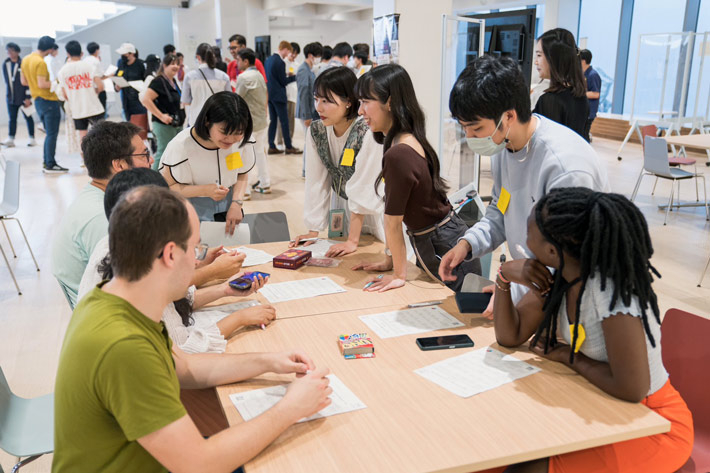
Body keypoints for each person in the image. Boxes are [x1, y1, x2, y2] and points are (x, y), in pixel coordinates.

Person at [53, 185, 333, 473]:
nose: (199, 261)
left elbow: (185, 367)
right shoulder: (123, 345)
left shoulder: (115, 300)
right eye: (196, 248)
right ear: (171, 255)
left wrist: (270, 361)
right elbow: (198, 464)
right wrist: (291, 409)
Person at [489, 188, 693, 473]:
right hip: (600, 404)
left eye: (529, 232)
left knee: (529, 466)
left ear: (552, 250)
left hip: (652, 422)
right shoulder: (562, 278)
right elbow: (510, 336)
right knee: (505, 448)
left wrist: (569, 358)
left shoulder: (610, 292)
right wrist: (505, 275)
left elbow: (632, 389)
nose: (525, 240)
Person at [439, 55, 609, 308]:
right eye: (464, 127)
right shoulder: (505, 146)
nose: (469, 136)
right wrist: (468, 243)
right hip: (532, 288)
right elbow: (500, 211)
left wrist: (515, 292)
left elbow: (568, 257)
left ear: (508, 116)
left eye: (476, 128)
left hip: (576, 300)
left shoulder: (564, 166)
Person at [77, 168, 277, 353]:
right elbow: (184, 350)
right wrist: (239, 318)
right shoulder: (141, 284)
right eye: (192, 248)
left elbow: (174, 305)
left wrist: (224, 289)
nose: (197, 261)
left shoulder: (116, 248)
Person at [353, 64, 479, 292]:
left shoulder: (399, 152)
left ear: (389, 102)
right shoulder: (400, 140)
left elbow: (392, 221)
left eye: (365, 102)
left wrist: (398, 275)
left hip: (442, 246)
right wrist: (390, 261)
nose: (360, 111)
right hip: (439, 239)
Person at [51, 121, 153, 308]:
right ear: (119, 165)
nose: (151, 161)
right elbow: (136, 288)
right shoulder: (102, 219)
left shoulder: (98, 196)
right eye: (145, 155)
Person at [290, 67, 385, 257]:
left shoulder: (367, 131)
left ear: (348, 101)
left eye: (326, 101)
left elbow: (365, 185)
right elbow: (316, 181)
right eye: (316, 99)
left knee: (371, 256)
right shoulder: (317, 130)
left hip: (371, 208)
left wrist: (353, 240)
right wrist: (313, 229)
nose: (318, 107)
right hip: (341, 206)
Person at [160, 91, 255, 235]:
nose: (230, 139)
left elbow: (241, 173)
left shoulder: (241, 141)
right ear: (207, 121)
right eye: (224, 132)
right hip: (191, 211)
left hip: (230, 209)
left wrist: (236, 203)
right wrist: (205, 190)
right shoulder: (181, 147)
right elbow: (167, 187)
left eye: (238, 132)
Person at [20, 35, 67, 172]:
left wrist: (34, 84)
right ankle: (50, 163)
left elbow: (24, 82)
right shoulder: (40, 62)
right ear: (50, 48)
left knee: (49, 133)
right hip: (49, 100)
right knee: (52, 134)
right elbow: (42, 84)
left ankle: (48, 162)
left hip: (38, 100)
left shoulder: (26, 59)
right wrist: (57, 82)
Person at [532, 28, 588, 138]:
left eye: (539, 55)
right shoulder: (580, 96)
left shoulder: (549, 100)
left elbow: (543, 145)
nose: (535, 62)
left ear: (553, 58)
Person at [235, 48, 270, 197]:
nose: (237, 63)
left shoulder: (244, 77)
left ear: (245, 61)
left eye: (238, 60)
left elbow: (237, 99)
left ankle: (245, 190)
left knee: (241, 155)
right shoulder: (259, 76)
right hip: (261, 121)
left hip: (248, 123)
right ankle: (265, 183)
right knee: (260, 153)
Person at [140, 53, 184, 170]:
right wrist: (161, 116)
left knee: (174, 153)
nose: (175, 66)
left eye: (177, 64)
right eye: (172, 64)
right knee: (163, 152)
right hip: (164, 125)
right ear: (164, 65)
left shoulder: (173, 81)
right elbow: (146, 100)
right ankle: (153, 180)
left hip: (176, 123)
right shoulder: (158, 81)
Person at [57, 40, 105, 142]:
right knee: (101, 135)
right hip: (94, 107)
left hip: (77, 109)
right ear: (81, 53)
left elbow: (64, 95)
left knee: (83, 136)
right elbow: (101, 86)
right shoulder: (89, 66)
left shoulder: (62, 71)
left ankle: (86, 157)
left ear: (68, 54)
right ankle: (102, 157)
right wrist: (93, 92)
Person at [182, 43, 231, 127]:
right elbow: (229, 99)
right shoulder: (223, 76)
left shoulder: (190, 76)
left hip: (196, 118)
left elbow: (185, 101)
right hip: (218, 118)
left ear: (198, 57)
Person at [265, 41, 300, 155]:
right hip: (279, 96)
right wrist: (294, 77)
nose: (288, 54)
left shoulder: (269, 60)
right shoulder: (280, 62)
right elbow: (283, 82)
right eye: (288, 51)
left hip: (270, 95)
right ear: (284, 49)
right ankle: (289, 146)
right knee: (285, 122)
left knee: (273, 121)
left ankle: (271, 145)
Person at [2, 42, 36, 148]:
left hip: (23, 97)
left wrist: (28, 97)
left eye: (12, 50)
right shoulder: (5, 63)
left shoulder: (23, 63)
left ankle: (32, 138)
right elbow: (7, 81)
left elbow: (29, 81)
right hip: (11, 97)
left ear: (17, 51)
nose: (9, 53)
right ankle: (11, 138)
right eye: (8, 51)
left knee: (28, 117)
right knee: (12, 118)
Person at [115, 43, 148, 139]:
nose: (122, 56)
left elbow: (146, 82)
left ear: (131, 53)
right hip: (126, 100)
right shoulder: (121, 63)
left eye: (124, 54)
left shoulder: (140, 64)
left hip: (138, 101)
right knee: (129, 126)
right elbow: (118, 75)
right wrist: (117, 86)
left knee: (139, 128)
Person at [277, 42, 300, 148]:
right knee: (281, 119)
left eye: (296, 54)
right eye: (292, 53)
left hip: (293, 95)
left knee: (291, 119)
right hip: (283, 94)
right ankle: (280, 141)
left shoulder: (297, 65)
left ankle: (289, 141)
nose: (293, 56)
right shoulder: (282, 63)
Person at [296, 42, 322, 126]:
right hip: (307, 112)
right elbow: (303, 93)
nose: (319, 59)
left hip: (311, 109)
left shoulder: (310, 69)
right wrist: (307, 115)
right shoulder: (303, 69)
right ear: (311, 56)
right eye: (318, 56)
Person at [580, 49, 601, 142]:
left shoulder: (593, 75)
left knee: (584, 135)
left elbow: (596, 94)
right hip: (583, 110)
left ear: (583, 61)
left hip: (589, 111)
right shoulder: (583, 74)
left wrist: (578, 92)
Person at [85, 42, 107, 115]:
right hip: (97, 89)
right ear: (96, 50)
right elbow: (100, 76)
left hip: (88, 90)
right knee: (100, 113)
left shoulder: (84, 60)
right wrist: (110, 75)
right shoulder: (95, 60)